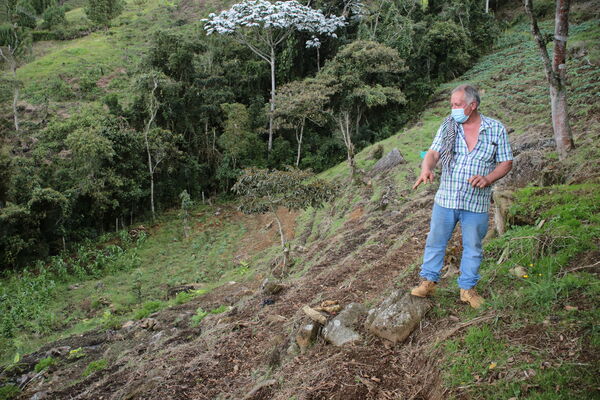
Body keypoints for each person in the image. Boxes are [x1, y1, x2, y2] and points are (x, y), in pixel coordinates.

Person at [410, 84, 513, 309]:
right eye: (452, 104)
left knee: (473, 246)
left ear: (472, 105)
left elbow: (506, 162)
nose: (453, 109)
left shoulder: (495, 129)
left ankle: (467, 289)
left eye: (457, 105)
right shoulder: (449, 126)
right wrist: (426, 168)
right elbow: (433, 152)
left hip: (475, 202)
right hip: (446, 199)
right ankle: (428, 281)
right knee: (436, 241)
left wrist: (488, 178)